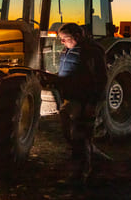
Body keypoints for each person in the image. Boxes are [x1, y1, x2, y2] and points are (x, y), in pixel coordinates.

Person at [42, 22, 108, 183]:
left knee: (81, 134)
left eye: (65, 39)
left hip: (85, 99)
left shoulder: (93, 52)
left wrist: (92, 104)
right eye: (61, 39)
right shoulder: (67, 50)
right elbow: (69, 73)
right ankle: (88, 157)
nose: (62, 42)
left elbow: (101, 79)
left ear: (77, 36)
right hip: (72, 98)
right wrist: (54, 78)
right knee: (67, 126)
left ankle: (81, 175)